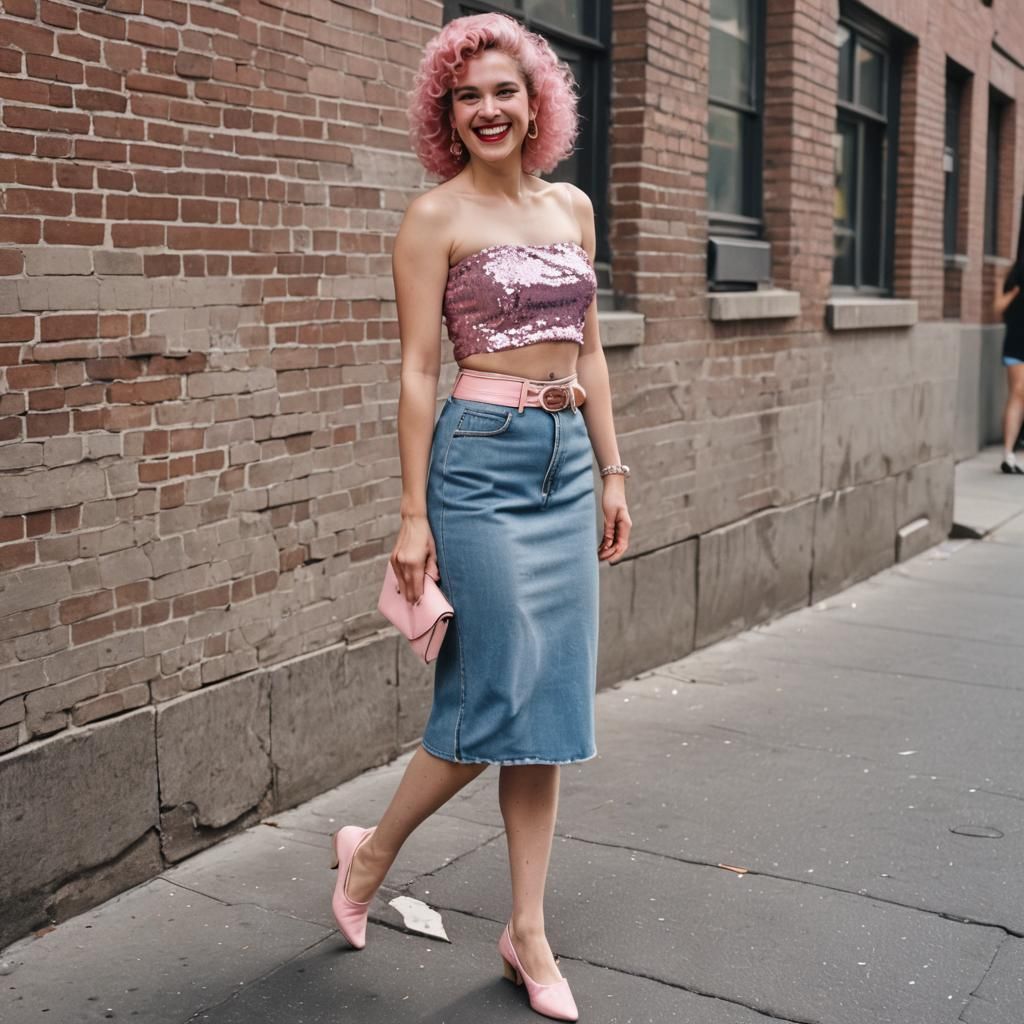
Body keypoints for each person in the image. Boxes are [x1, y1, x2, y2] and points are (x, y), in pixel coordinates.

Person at [328, 13, 631, 1022]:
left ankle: (526, 931)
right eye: (467, 96)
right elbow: (417, 371)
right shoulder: (434, 218)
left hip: (563, 461)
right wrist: (411, 514)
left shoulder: (575, 207)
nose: (487, 109)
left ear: (537, 100)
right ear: (444, 114)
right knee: (493, 692)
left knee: (548, 710)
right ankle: (370, 855)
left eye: (504, 91)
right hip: (478, 464)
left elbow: (587, 352)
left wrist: (613, 472)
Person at [994, 262, 1024, 474]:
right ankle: (1008, 453)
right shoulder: (1011, 275)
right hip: (1016, 342)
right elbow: (997, 309)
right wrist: (1013, 293)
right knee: (1018, 391)